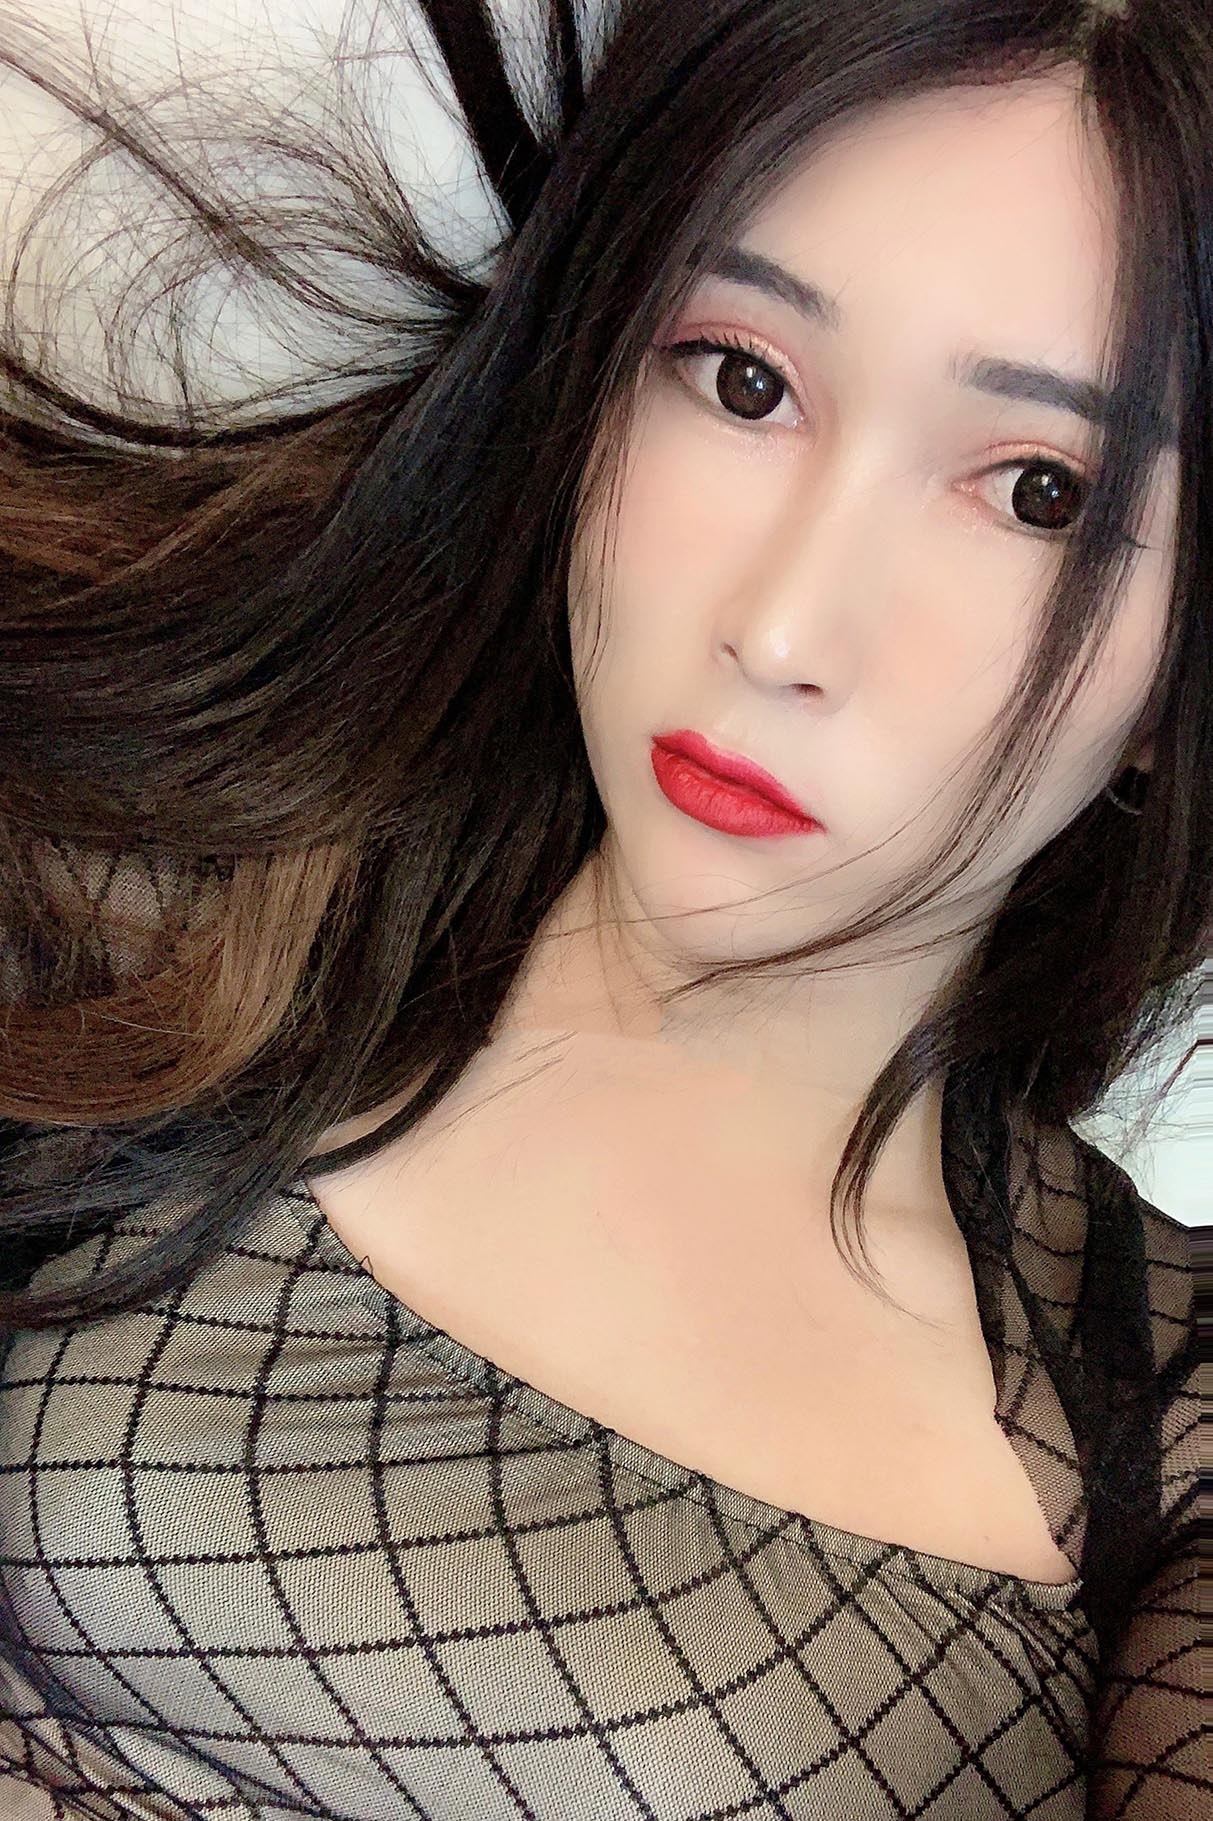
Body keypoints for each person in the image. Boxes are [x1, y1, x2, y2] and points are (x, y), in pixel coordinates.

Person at [0, 1, 1204, 1815]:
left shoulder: (1162, 1425)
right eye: (740, 379)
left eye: (1038, 493)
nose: (780, 630)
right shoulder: (128, 903)